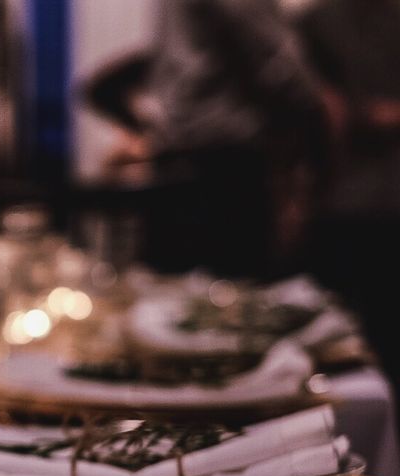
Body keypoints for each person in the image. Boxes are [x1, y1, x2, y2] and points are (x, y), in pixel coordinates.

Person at [138, 0, 330, 280]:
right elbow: (276, 66)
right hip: (225, 163)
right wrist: (321, 120)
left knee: (179, 302)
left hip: (183, 153)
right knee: (236, 302)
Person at [298, 0, 400, 390]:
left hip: (355, 201)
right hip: (342, 200)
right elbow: (322, 109)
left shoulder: (319, 21)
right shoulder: (318, 22)